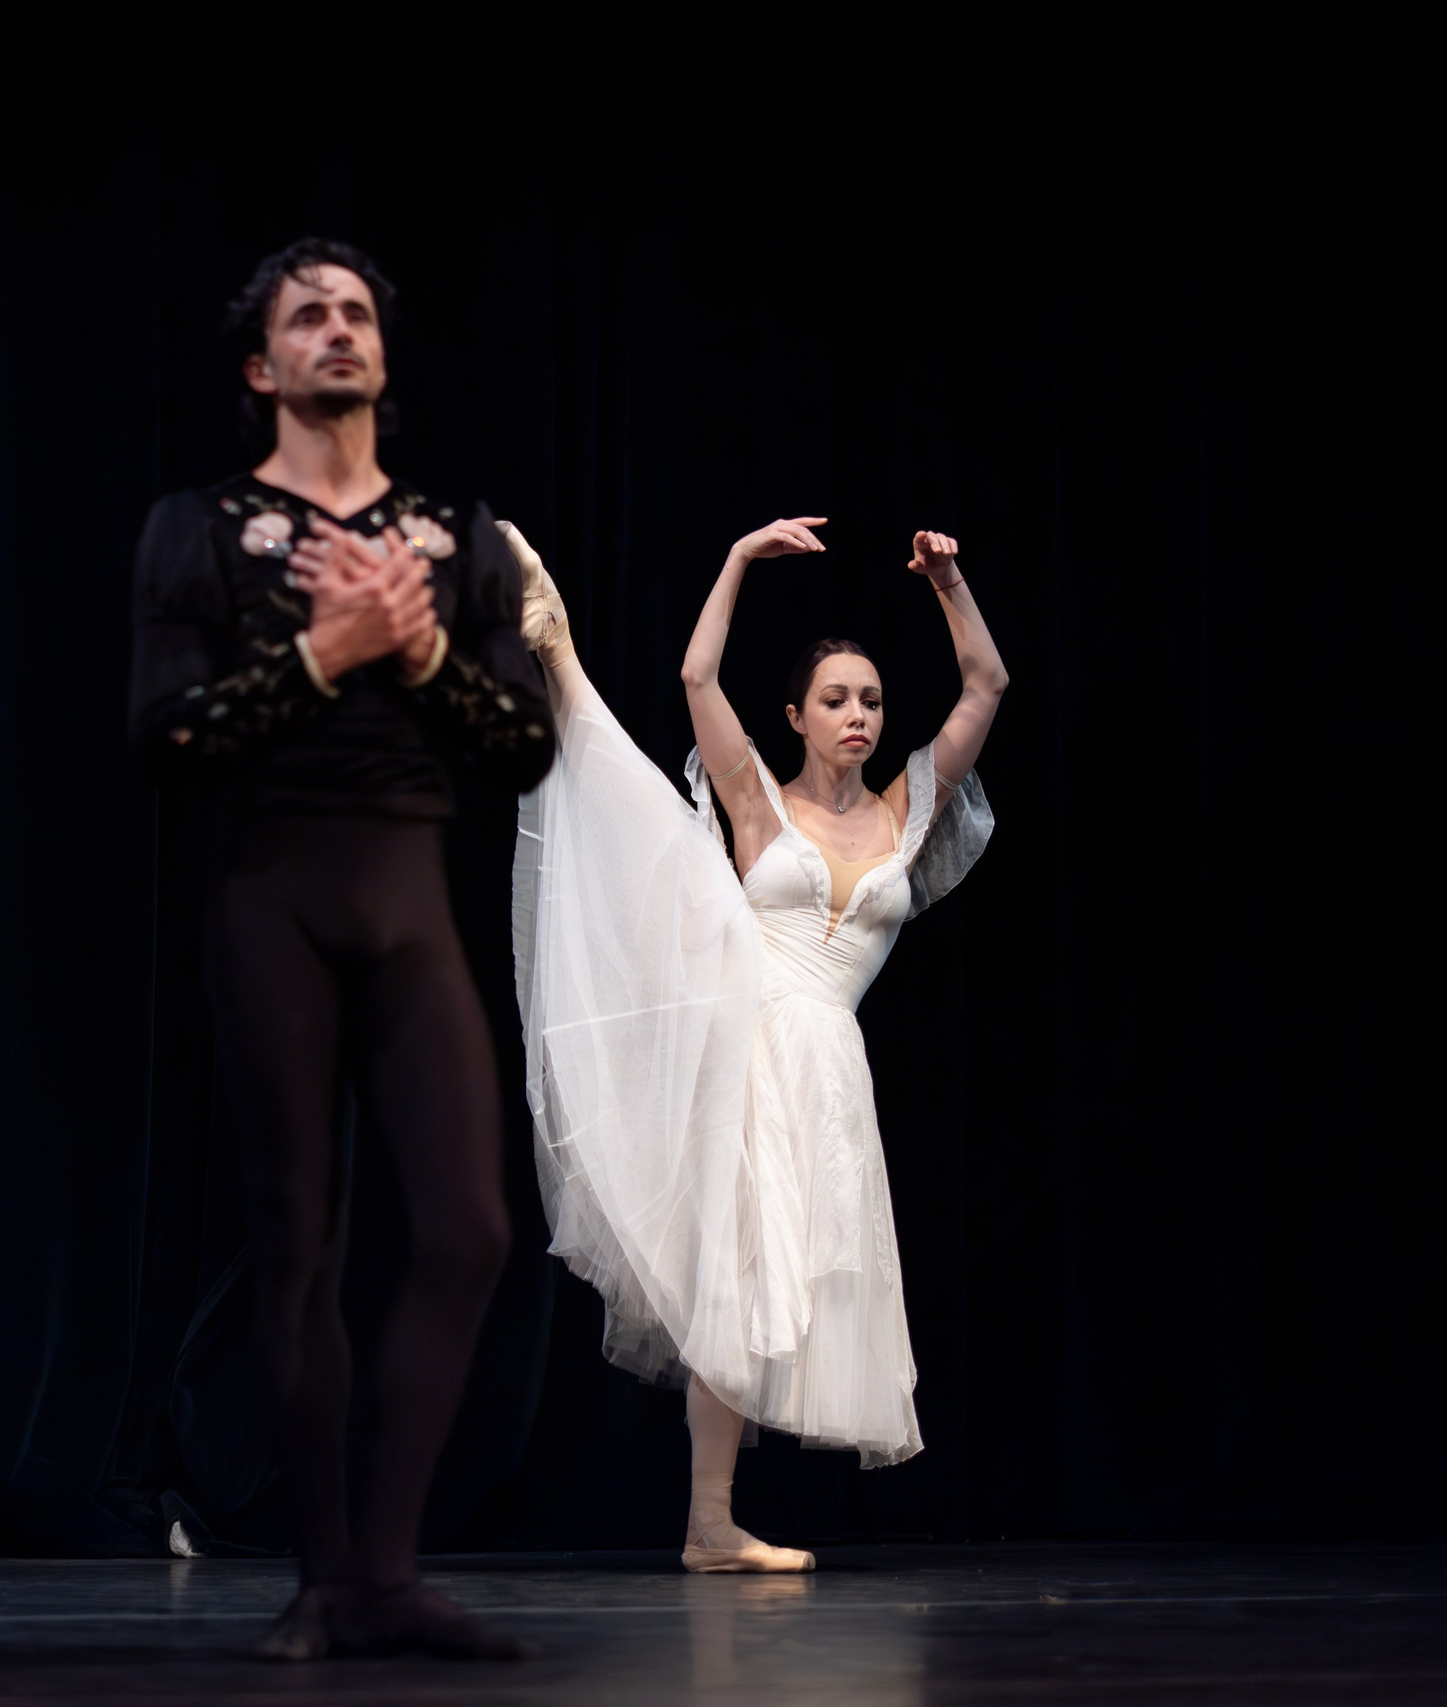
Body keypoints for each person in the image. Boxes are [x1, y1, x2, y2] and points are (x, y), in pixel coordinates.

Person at [127, 238, 553, 1661]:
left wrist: (418, 653)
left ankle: (386, 1566)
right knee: (295, 1241)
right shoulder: (199, 524)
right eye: (307, 315)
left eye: (358, 310)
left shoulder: (455, 532)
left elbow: (526, 741)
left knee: (469, 1225)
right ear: (263, 366)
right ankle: (323, 1573)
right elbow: (166, 736)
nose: (338, 330)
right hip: (272, 892)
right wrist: (320, 651)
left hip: (407, 886)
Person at [507, 516, 1004, 1574]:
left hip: (828, 1076)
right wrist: (734, 558)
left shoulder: (907, 813)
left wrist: (949, 584)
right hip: (745, 1046)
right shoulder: (757, 805)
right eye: (835, 699)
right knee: (733, 1280)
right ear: (796, 716)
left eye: (869, 699)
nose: (858, 715)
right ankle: (556, 652)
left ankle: (709, 1527)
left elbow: (985, 688)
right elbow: (696, 677)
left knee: (776, 1284)